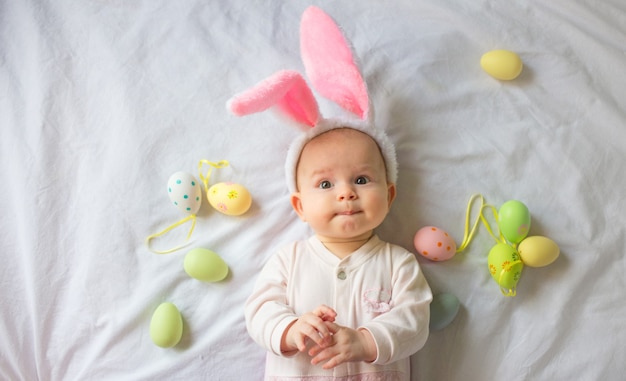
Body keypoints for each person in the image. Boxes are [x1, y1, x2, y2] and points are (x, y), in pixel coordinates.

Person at [245, 125, 432, 380]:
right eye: (325, 184)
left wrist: (366, 341)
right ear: (300, 206)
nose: (346, 193)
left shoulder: (398, 263)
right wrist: (290, 329)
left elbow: (415, 322)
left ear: (389, 196)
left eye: (361, 180)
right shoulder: (288, 259)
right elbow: (260, 311)